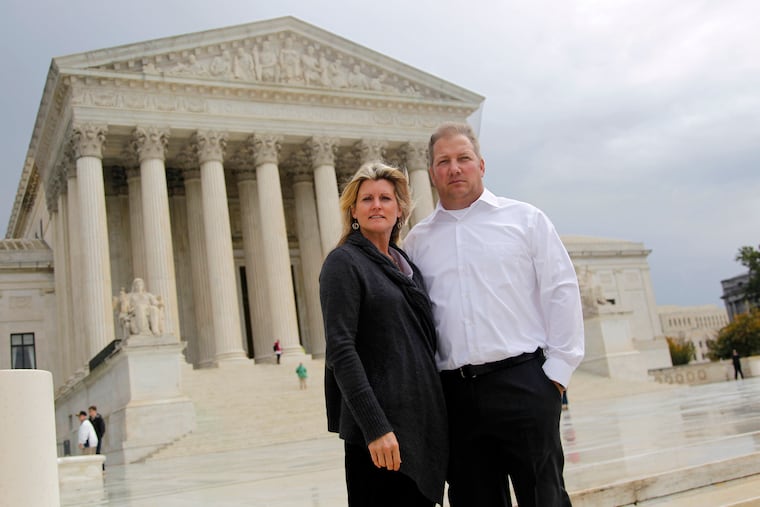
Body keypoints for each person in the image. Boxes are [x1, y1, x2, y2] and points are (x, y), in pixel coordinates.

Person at [403, 122, 585, 507]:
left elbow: (562, 291)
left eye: (463, 158)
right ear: (432, 172)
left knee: (545, 498)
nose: (454, 168)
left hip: (523, 383)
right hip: (455, 396)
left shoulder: (525, 220)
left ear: (481, 165)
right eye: (444, 161)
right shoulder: (417, 241)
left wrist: (556, 375)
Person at [320, 161, 447, 507]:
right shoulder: (343, 263)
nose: (377, 205)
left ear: (400, 209)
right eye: (367, 199)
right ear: (354, 212)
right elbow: (341, 350)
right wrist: (375, 427)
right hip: (378, 438)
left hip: (416, 429)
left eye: (386, 198)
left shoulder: (405, 265)